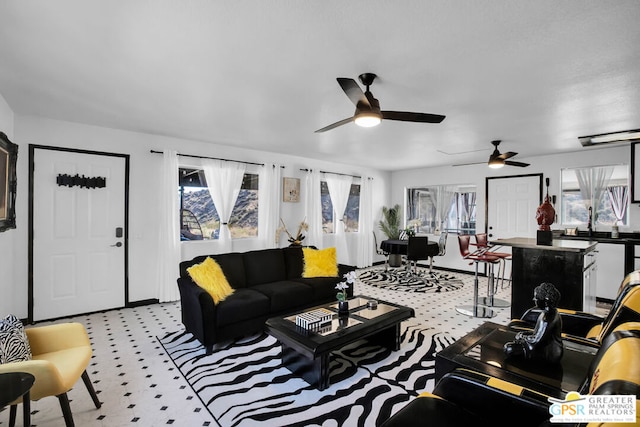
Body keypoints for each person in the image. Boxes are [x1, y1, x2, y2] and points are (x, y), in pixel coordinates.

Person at [504, 282, 563, 363]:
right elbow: (538, 333)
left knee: (509, 348)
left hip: (547, 353)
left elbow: (536, 340)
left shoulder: (546, 319)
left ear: (544, 300)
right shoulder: (553, 312)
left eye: (536, 298)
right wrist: (525, 334)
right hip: (551, 349)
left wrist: (522, 337)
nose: (533, 300)